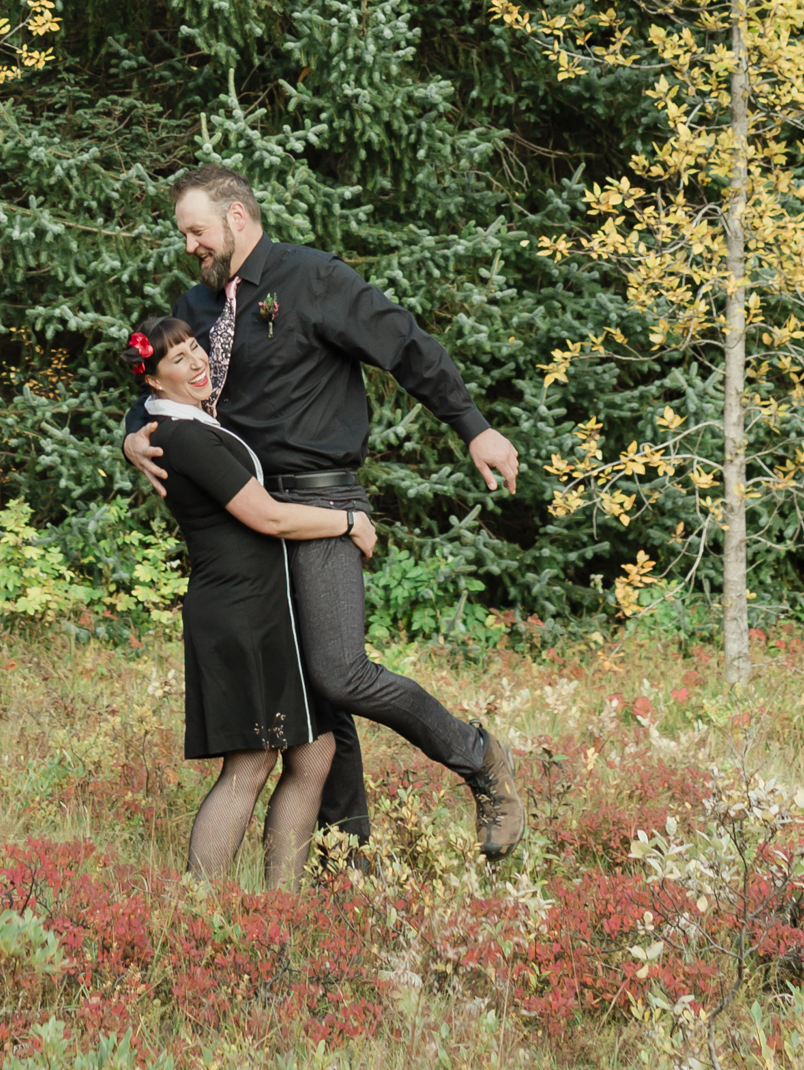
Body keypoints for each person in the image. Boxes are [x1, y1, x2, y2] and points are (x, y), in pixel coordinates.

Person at [122, 163, 527, 860]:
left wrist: (474, 427)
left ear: (237, 220)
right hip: (245, 515)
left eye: (196, 231)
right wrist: (134, 429)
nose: (189, 246)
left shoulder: (313, 280)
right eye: (184, 234)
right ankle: (350, 856)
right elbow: (166, 373)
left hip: (318, 497)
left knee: (338, 672)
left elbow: (403, 344)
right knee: (315, 703)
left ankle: (479, 759)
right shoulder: (202, 302)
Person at [121, 315, 379, 889]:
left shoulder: (186, 424)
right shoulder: (182, 436)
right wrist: (347, 521)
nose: (195, 362)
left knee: (313, 755)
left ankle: (278, 909)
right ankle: (198, 907)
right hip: (238, 614)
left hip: (265, 610)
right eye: (177, 360)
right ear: (154, 383)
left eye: (194, 349)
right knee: (251, 763)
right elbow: (267, 515)